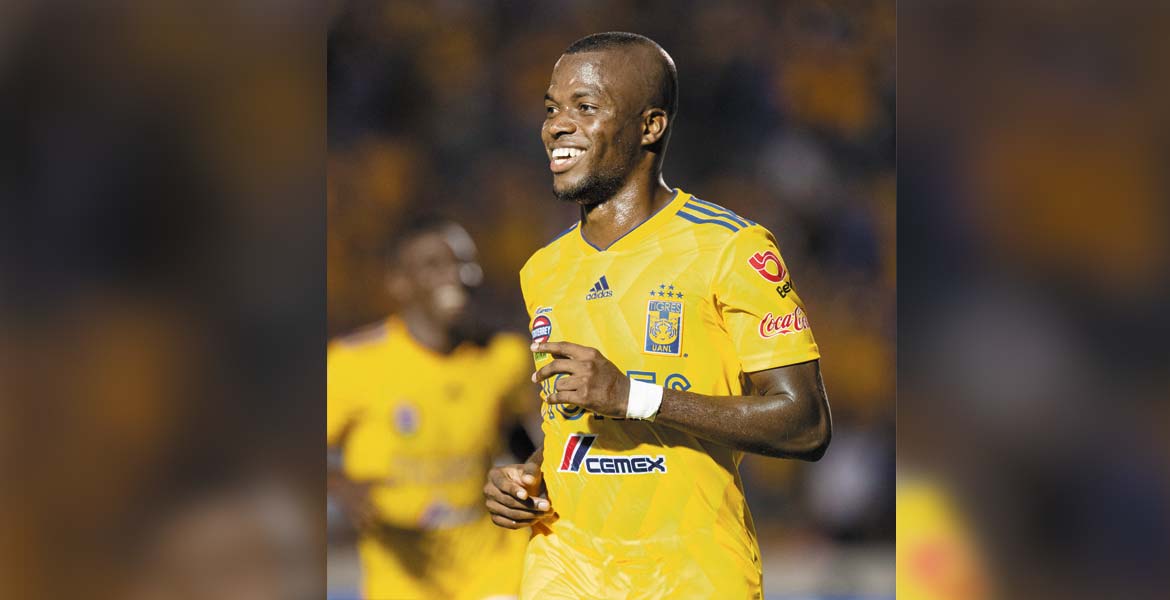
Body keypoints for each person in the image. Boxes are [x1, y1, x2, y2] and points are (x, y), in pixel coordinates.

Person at [482, 32, 832, 599]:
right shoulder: (543, 269)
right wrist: (529, 475)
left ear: (650, 126)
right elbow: (573, 422)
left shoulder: (731, 248)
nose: (556, 125)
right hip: (566, 566)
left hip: (692, 573)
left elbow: (806, 424)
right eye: (551, 109)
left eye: (585, 107)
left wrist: (635, 397)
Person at [329, 215, 536, 600]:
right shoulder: (352, 364)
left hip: (493, 570)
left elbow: (518, 432)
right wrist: (338, 483)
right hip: (404, 578)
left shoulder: (504, 356)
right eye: (433, 264)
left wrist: (534, 479)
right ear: (399, 282)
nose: (455, 275)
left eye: (464, 262)